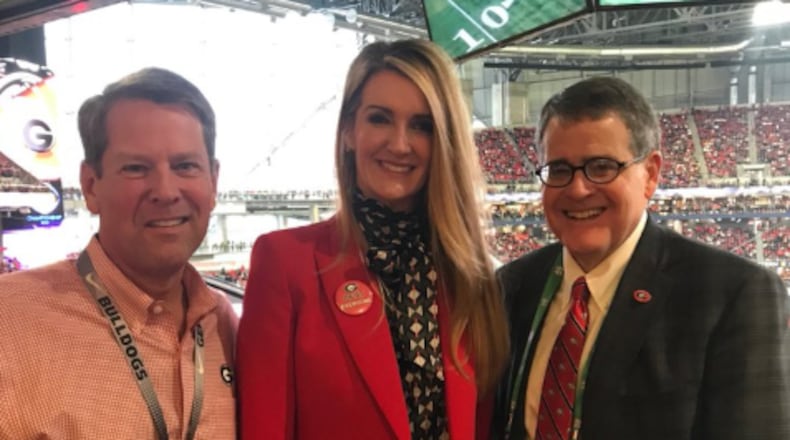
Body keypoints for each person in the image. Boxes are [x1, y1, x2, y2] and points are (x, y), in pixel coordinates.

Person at [237, 39, 509, 440]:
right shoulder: (284, 261)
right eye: (380, 119)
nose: (399, 144)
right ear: (349, 130)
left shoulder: (468, 274)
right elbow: (265, 429)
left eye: (422, 126)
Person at [491, 76, 790, 440]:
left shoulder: (732, 293)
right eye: (559, 169)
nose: (577, 188)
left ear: (650, 174)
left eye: (601, 167)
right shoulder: (513, 286)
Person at [0, 67, 238, 439]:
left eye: (185, 166)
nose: (165, 190)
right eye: (136, 168)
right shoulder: (10, 322)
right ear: (91, 186)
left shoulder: (224, 325)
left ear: (213, 182)